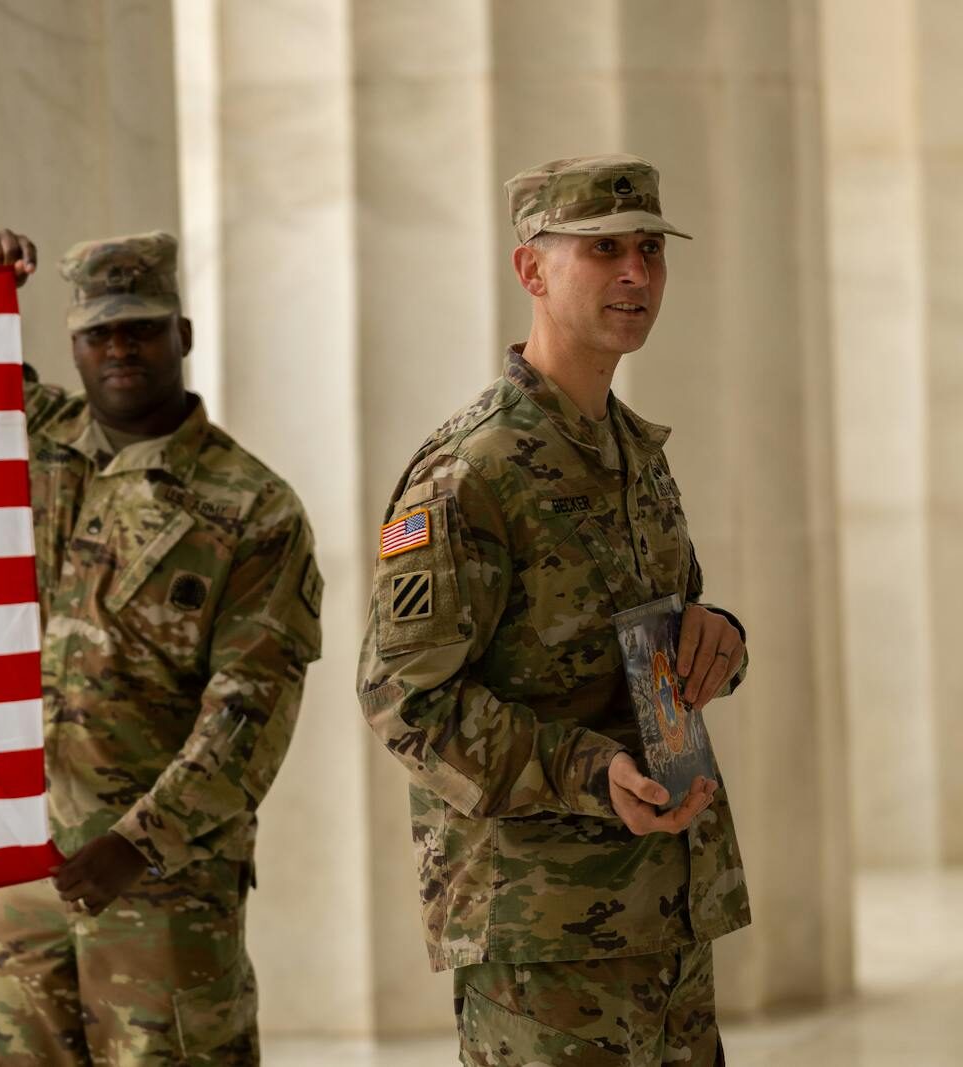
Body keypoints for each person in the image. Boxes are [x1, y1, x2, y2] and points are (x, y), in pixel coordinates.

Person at [355, 155, 750, 1065]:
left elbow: (666, 627)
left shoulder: (632, 452)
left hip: (669, 920)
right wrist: (586, 768)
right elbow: (406, 701)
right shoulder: (471, 471)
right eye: (604, 249)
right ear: (532, 270)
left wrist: (720, 634)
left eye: (651, 248)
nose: (637, 274)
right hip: (547, 942)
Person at [0, 230, 323, 1065]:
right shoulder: (38, 443)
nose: (120, 347)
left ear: (183, 336)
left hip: (163, 888)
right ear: (75, 347)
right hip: (22, 881)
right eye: (99, 333)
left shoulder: (253, 507)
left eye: (142, 328)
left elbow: (251, 712)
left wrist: (138, 842)